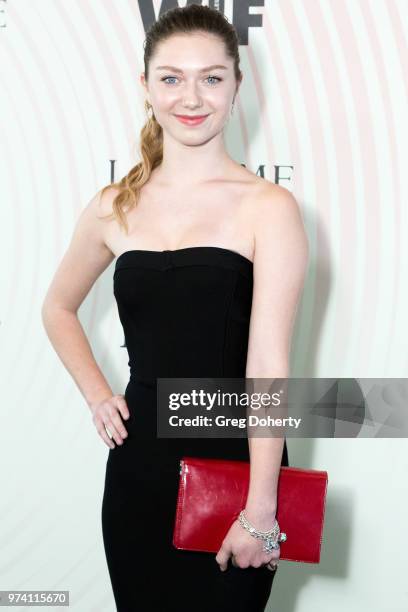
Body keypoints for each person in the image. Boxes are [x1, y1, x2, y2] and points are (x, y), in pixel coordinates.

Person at [41, 5, 308, 611]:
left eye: (212, 77)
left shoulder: (269, 207)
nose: (192, 97)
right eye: (172, 78)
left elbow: (268, 365)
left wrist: (262, 509)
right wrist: (96, 392)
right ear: (146, 88)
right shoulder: (115, 205)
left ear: (237, 86)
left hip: (237, 467)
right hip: (139, 472)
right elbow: (58, 306)